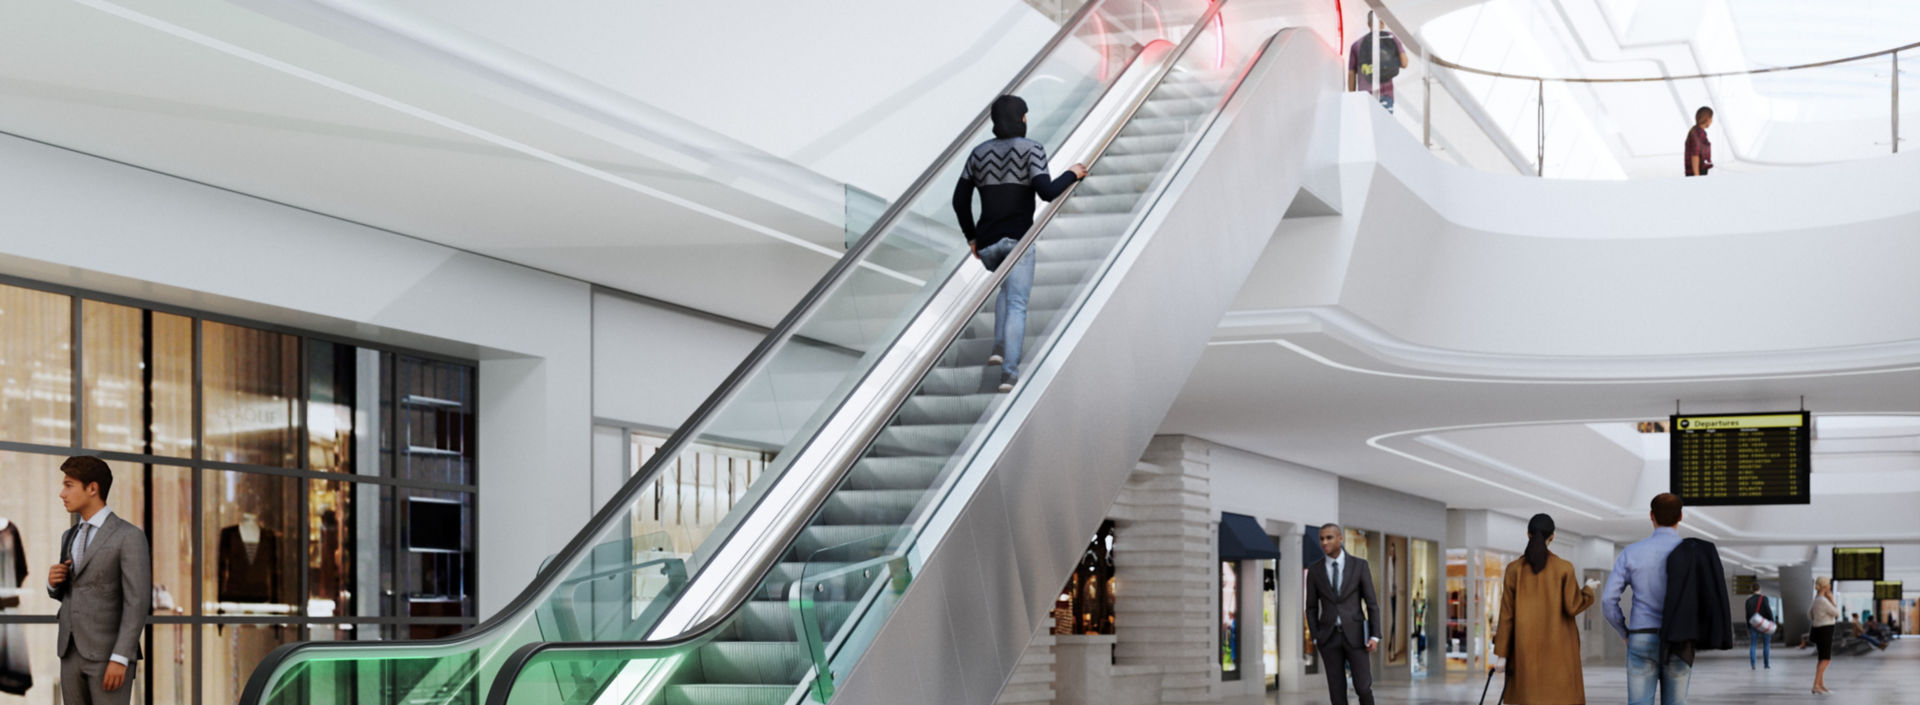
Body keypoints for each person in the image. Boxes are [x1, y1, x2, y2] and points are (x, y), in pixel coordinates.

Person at [952, 94, 1086, 393]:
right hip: (1018, 242)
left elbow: (959, 200)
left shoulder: (978, 153)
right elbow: (1047, 192)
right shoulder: (1031, 149)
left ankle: (999, 346)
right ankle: (1009, 375)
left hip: (988, 245)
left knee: (1005, 287)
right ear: (1022, 119)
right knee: (1017, 304)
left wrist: (971, 237)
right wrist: (1073, 174)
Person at [46, 456, 151, 705]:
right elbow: (76, 591)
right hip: (70, 654)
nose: (62, 493)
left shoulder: (129, 536)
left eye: (69, 485)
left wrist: (121, 657)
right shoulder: (69, 536)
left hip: (108, 656)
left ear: (92, 488)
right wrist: (53, 583)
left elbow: (137, 602)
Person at [1491, 513, 1597, 705]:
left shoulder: (1514, 569)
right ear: (1553, 536)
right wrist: (1589, 589)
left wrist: (1501, 655)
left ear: (1528, 534)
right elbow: (1573, 606)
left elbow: (1506, 614)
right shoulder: (1564, 568)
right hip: (1560, 653)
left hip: (1524, 654)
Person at [1602, 493, 1690, 705]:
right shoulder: (1691, 554)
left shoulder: (1632, 553)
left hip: (1641, 637)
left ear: (1651, 516)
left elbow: (1607, 600)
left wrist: (1624, 633)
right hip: (1679, 640)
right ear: (1681, 517)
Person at [1305, 524, 1380, 705]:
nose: (1324, 542)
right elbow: (1311, 608)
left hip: (1356, 636)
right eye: (1322, 538)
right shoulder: (1315, 570)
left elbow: (1371, 603)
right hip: (1328, 638)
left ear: (1340, 538)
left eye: (1329, 537)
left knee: (1363, 686)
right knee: (1337, 692)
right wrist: (1316, 636)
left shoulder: (1359, 566)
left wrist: (1374, 635)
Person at [1347, 12, 1410, 112]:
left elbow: (1351, 73)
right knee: (1383, 126)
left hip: (1365, 95)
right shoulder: (1390, 38)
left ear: (1369, 24)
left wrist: (1353, 97)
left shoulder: (1356, 45)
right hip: (1386, 95)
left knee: (1366, 126)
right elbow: (1404, 63)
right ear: (1382, 23)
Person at [1809, 576, 1839, 694]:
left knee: (1821, 658)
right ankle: (1816, 685)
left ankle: (1820, 684)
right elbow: (1836, 613)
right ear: (1825, 586)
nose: (1830, 586)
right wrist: (1832, 599)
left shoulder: (1816, 599)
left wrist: (1818, 617)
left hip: (1818, 629)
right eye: (1829, 584)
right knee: (1826, 659)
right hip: (1825, 630)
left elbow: (1809, 614)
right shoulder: (1823, 600)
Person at [1744, 583, 1773, 669]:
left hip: (1753, 624)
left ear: (1752, 589)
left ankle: (1753, 665)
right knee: (1766, 645)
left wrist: (1748, 626)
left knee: (1753, 645)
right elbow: (1768, 611)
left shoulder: (1748, 600)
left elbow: (1747, 615)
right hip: (1764, 624)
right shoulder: (1764, 599)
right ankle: (1766, 664)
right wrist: (1772, 621)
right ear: (1759, 589)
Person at [1684, 107, 1713, 176]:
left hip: (1697, 171)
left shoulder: (1696, 131)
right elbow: (1695, 155)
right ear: (1707, 118)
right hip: (1698, 172)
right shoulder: (1698, 133)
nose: (1712, 120)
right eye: (1711, 118)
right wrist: (1697, 176)